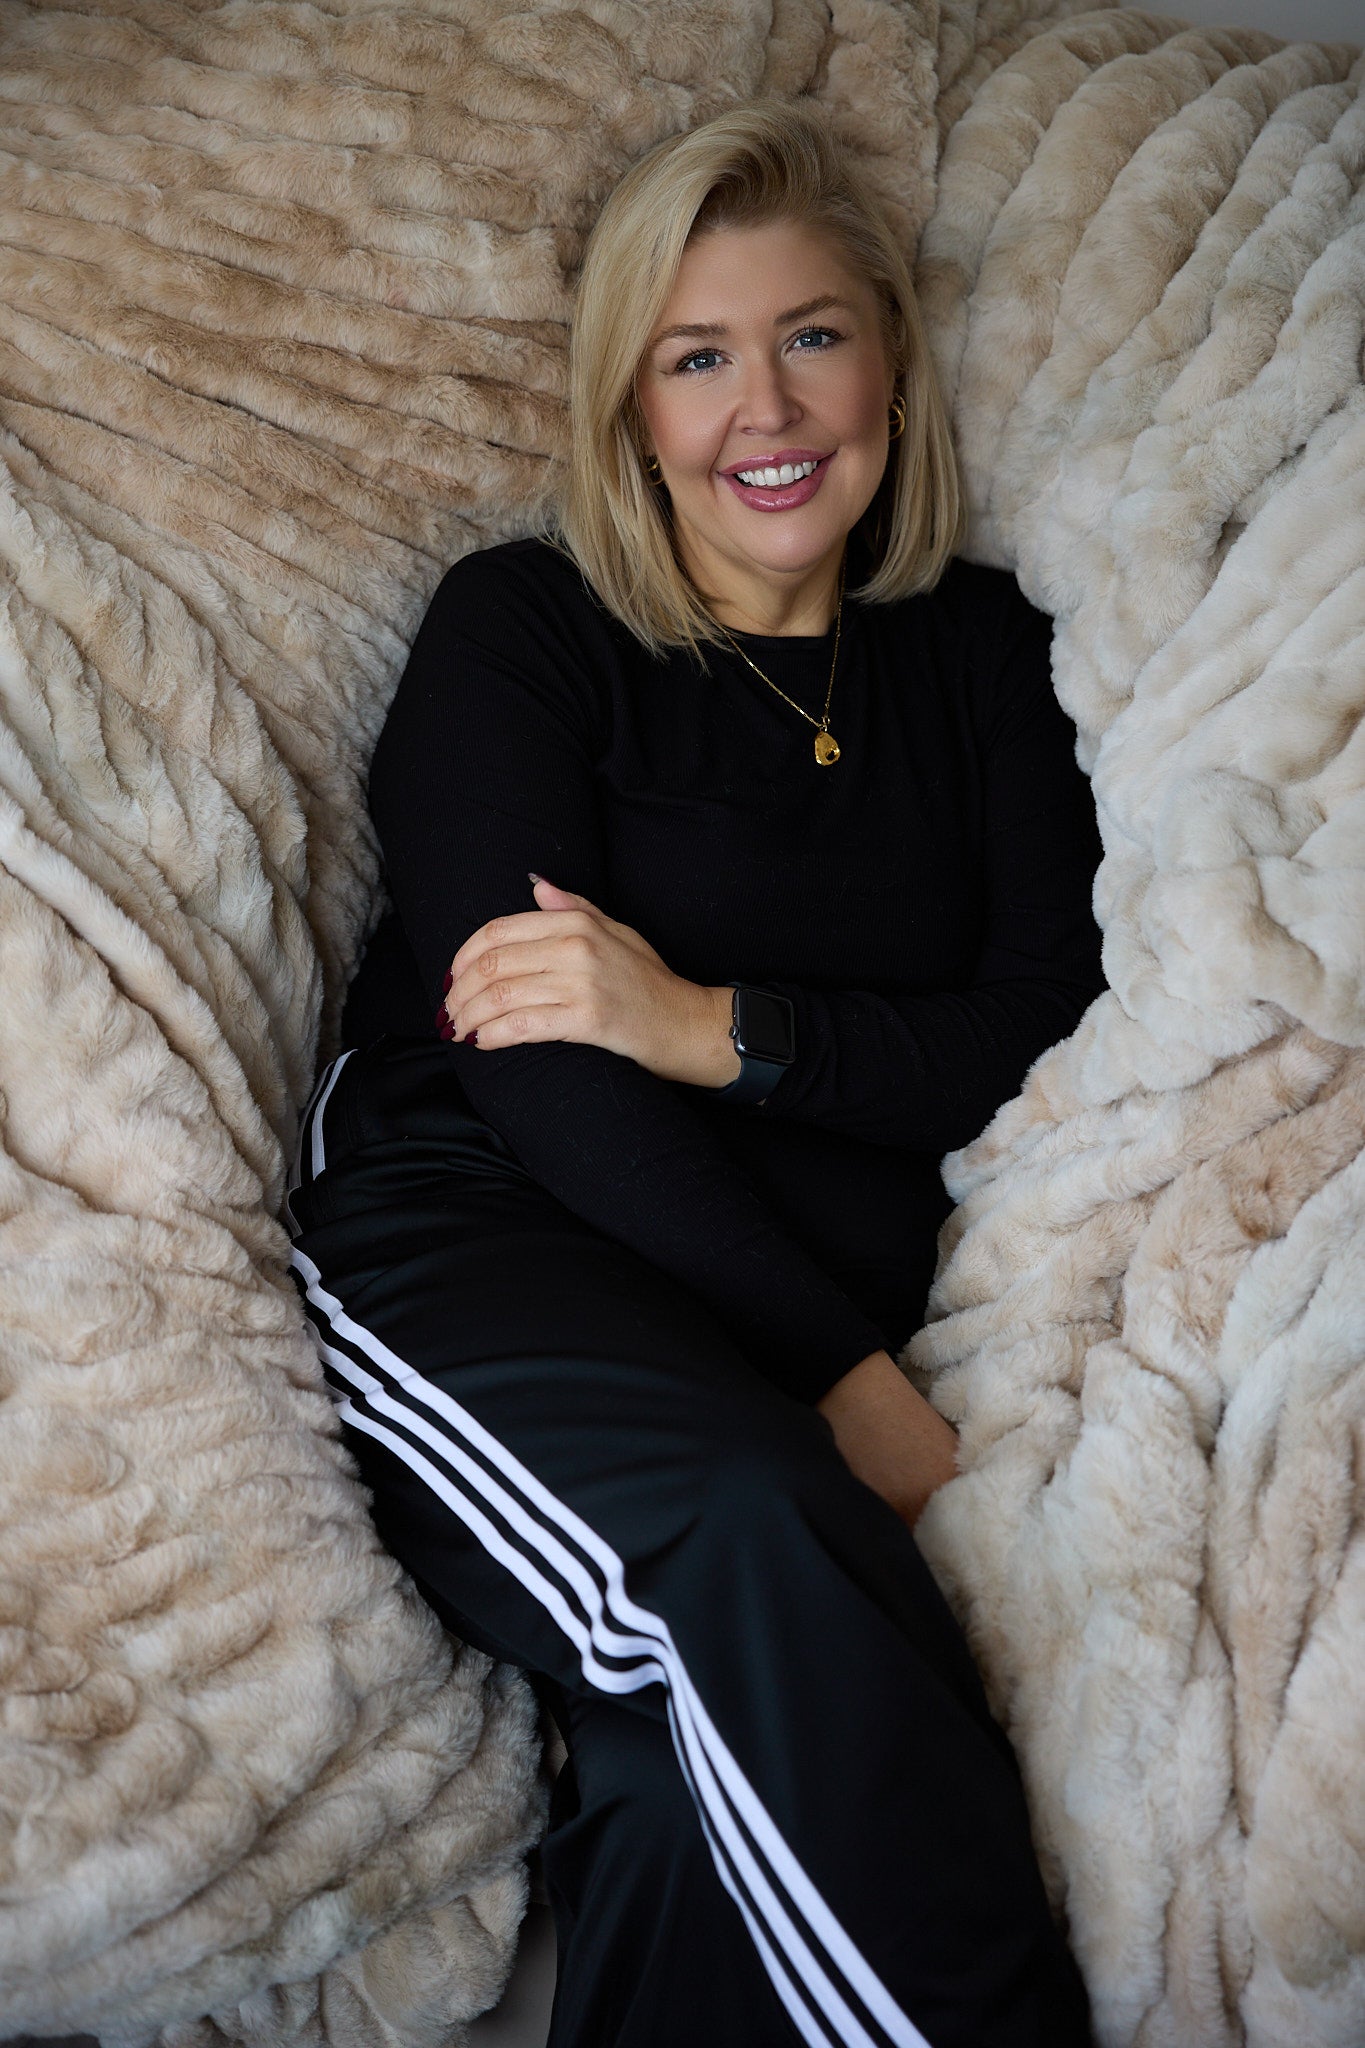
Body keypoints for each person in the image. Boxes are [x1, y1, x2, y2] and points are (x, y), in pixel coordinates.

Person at [285, 98, 1102, 2048]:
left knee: (678, 1774)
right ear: (630, 409)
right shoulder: (523, 631)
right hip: (482, 1228)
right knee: (749, 1526)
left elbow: (1030, 1027)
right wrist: (837, 1372)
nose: (767, 405)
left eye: (812, 334)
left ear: (888, 366)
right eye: (697, 353)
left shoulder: (977, 657)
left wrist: (705, 1022)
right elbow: (540, 1077)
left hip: (757, 1282)